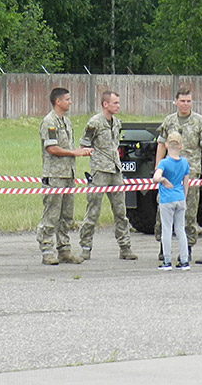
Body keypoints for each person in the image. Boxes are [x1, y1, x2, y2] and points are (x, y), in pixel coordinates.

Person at [154, 88, 202, 258]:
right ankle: (164, 246)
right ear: (175, 102)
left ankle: (187, 247)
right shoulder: (169, 121)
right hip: (168, 172)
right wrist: (158, 167)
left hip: (190, 171)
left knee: (189, 210)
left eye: (188, 101)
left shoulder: (200, 122)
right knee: (163, 209)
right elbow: (161, 145)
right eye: (182, 101)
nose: (185, 104)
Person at [79, 90, 137, 261]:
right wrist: (96, 156)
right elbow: (84, 144)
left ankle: (125, 247)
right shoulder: (94, 123)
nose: (118, 106)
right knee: (93, 211)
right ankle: (85, 247)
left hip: (115, 171)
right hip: (100, 171)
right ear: (105, 104)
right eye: (115, 103)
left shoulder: (117, 123)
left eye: (118, 102)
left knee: (121, 211)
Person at [37, 87, 91, 265]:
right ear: (57, 101)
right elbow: (52, 148)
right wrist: (75, 152)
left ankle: (64, 250)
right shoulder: (49, 122)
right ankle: (47, 251)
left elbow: (67, 146)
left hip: (68, 175)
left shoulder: (66, 122)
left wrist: (80, 151)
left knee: (66, 216)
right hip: (54, 175)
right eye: (67, 99)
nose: (70, 102)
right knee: (51, 215)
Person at [153, 132, 191, 270]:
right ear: (181, 146)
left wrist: (163, 179)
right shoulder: (185, 162)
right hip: (180, 197)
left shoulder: (164, 163)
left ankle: (167, 260)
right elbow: (185, 183)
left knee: (167, 229)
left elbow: (156, 178)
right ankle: (184, 260)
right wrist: (184, 197)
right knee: (180, 229)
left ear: (166, 145)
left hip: (166, 199)